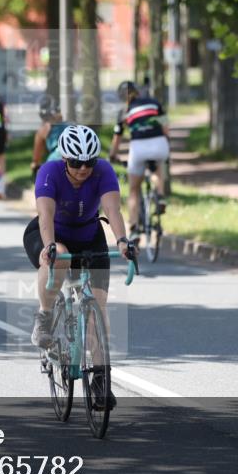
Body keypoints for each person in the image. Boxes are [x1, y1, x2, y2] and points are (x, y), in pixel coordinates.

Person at [23, 125, 134, 410]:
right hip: (51, 234)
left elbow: (112, 210)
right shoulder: (49, 173)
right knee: (59, 255)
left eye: (89, 162)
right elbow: (45, 216)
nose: (83, 168)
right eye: (76, 162)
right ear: (64, 160)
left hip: (89, 234)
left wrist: (122, 241)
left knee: (98, 312)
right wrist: (49, 246)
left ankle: (100, 382)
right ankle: (45, 316)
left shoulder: (103, 171)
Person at [109, 80, 170, 234]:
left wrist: (113, 155)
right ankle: (161, 196)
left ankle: (134, 228)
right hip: (159, 143)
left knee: (134, 190)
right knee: (157, 169)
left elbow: (117, 138)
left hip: (138, 147)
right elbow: (166, 128)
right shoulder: (155, 103)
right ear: (137, 91)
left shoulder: (124, 112)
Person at [30, 93, 67, 179]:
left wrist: (34, 164)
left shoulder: (43, 129)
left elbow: (36, 157)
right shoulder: (70, 124)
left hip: (56, 159)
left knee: (45, 184)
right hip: (77, 160)